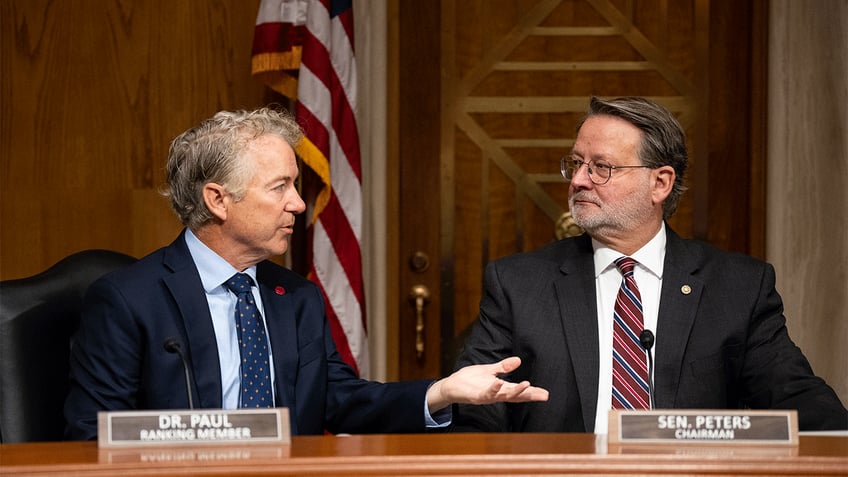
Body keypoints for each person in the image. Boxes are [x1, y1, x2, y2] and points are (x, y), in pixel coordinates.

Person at [64, 107, 548, 441]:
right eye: (280, 187)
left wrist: (442, 392)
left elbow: (340, 401)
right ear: (217, 200)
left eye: (295, 185)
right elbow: (94, 435)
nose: (298, 203)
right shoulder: (129, 300)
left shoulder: (294, 296)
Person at [452, 96, 848, 433]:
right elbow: (476, 408)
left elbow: (794, 395)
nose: (579, 181)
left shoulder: (737, 287)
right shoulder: (517, 284)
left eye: (601, 167)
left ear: (660, 183)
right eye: (576, 164)